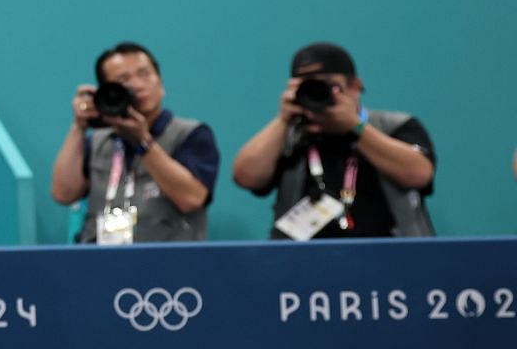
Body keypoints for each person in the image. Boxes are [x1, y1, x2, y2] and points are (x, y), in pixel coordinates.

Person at [230, 42, 435, 239]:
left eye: (327, 84)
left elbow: (419, 174)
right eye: (306, 85)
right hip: (301, 261)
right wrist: (283, 120)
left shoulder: (394, 126)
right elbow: (245, 177)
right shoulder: (291, 135)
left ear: (355, 85)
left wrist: (355, 128)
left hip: (390, 256)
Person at [50, 43, 218, 243]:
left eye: (144, 74)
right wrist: (78, 127)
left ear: (160, 83)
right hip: (101, 261)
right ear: (108, 91)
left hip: (168, 263)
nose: (138, 85)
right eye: (123, 80)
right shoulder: (98, 141)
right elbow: (63, 194)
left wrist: (142, 142)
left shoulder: (190, 134)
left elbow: (191, 199)